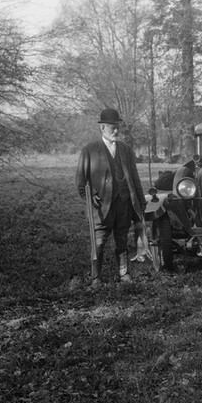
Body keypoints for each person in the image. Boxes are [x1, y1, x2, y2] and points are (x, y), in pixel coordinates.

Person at [75, 108, 147, 287]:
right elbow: (80, 181)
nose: (116, 131)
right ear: (102, 128)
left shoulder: (126, 150)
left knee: (122, 240)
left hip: (124, 203)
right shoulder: (90, 150)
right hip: (101, 207)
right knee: (99, 242)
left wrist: (140, 203)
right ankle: (96, 277)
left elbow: (135, 178)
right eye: (112, 127)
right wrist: (90, 197)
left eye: (117, 127)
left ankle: (124, 273)